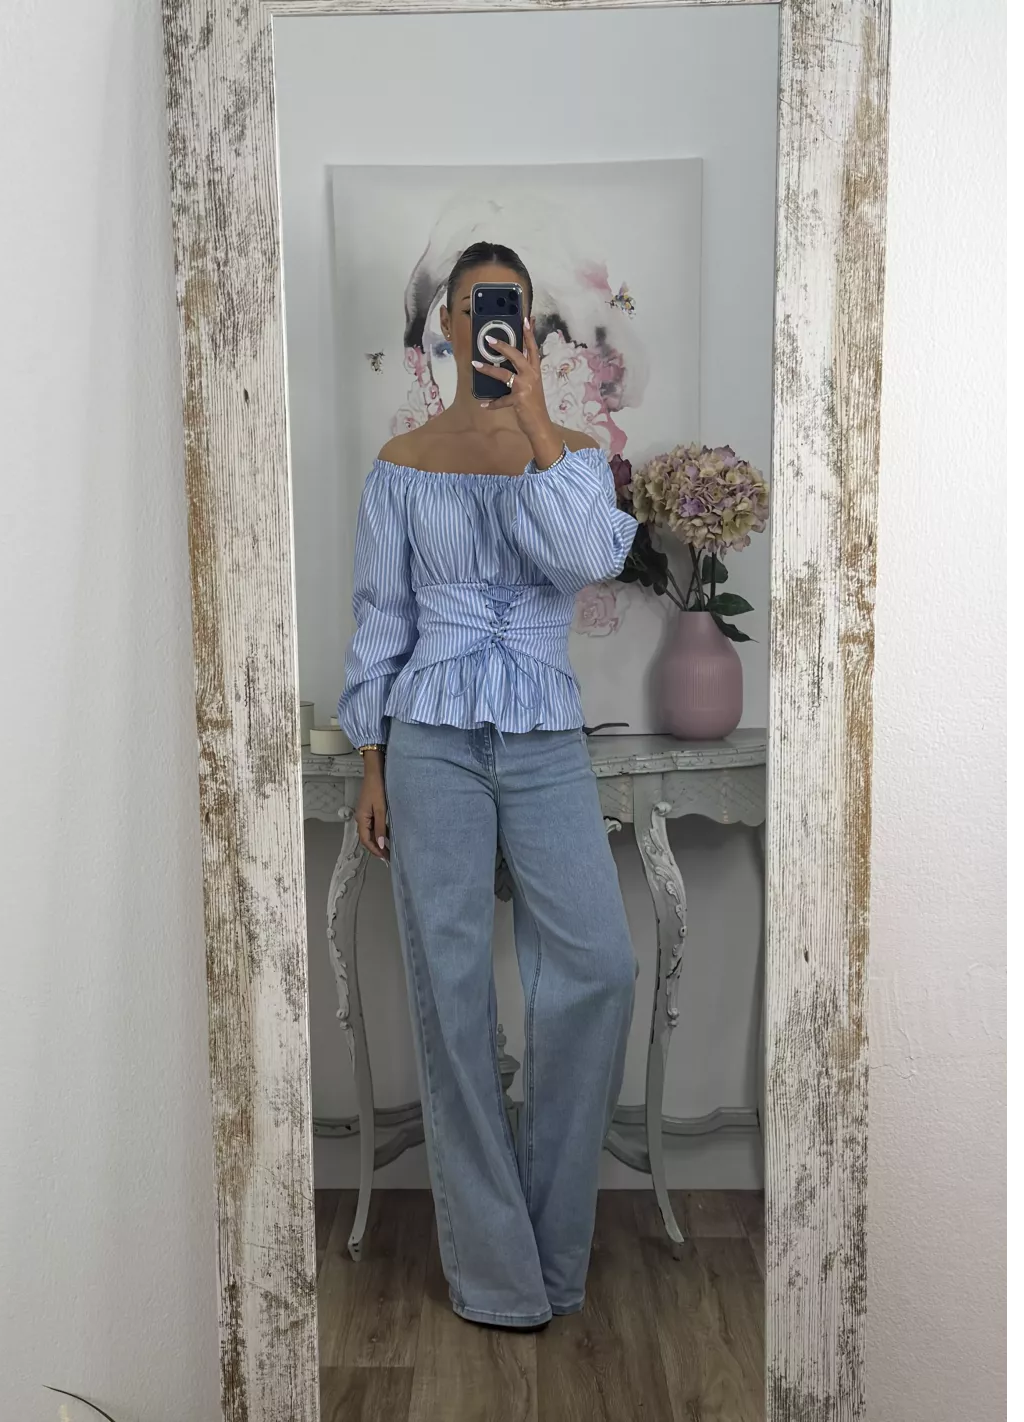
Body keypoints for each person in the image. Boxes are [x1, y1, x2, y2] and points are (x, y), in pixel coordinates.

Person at [337, 242, 638, 1331]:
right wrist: (371, 762)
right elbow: (382, 618)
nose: (489, 322)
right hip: (430, 740)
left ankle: (552, 1255)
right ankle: (496, 1275)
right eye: (474, 306)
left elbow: (591, 560)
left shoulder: (566, 456)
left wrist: (540, 427)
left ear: (531, 329)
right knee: (451, 994)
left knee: (600, 966)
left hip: (546, 735)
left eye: (507, 306)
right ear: (448, 327)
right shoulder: (401, 463)